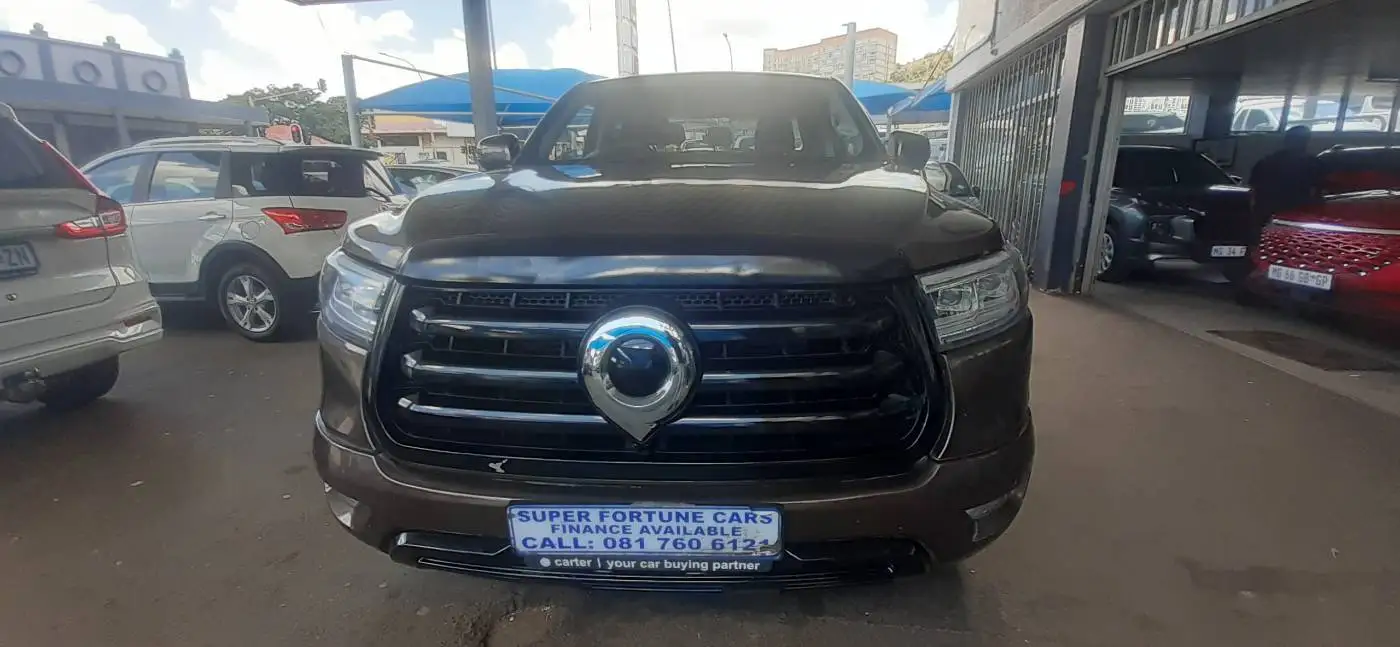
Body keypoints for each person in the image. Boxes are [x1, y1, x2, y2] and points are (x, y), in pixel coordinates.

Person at [1248, 125, 1323, 228]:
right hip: (1296, 217)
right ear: (1306, 141)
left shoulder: (1266, 161)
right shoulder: (1313, 163)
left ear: (1286, 140)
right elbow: (1318, 193)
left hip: (1265, 215)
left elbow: (1253, 189)